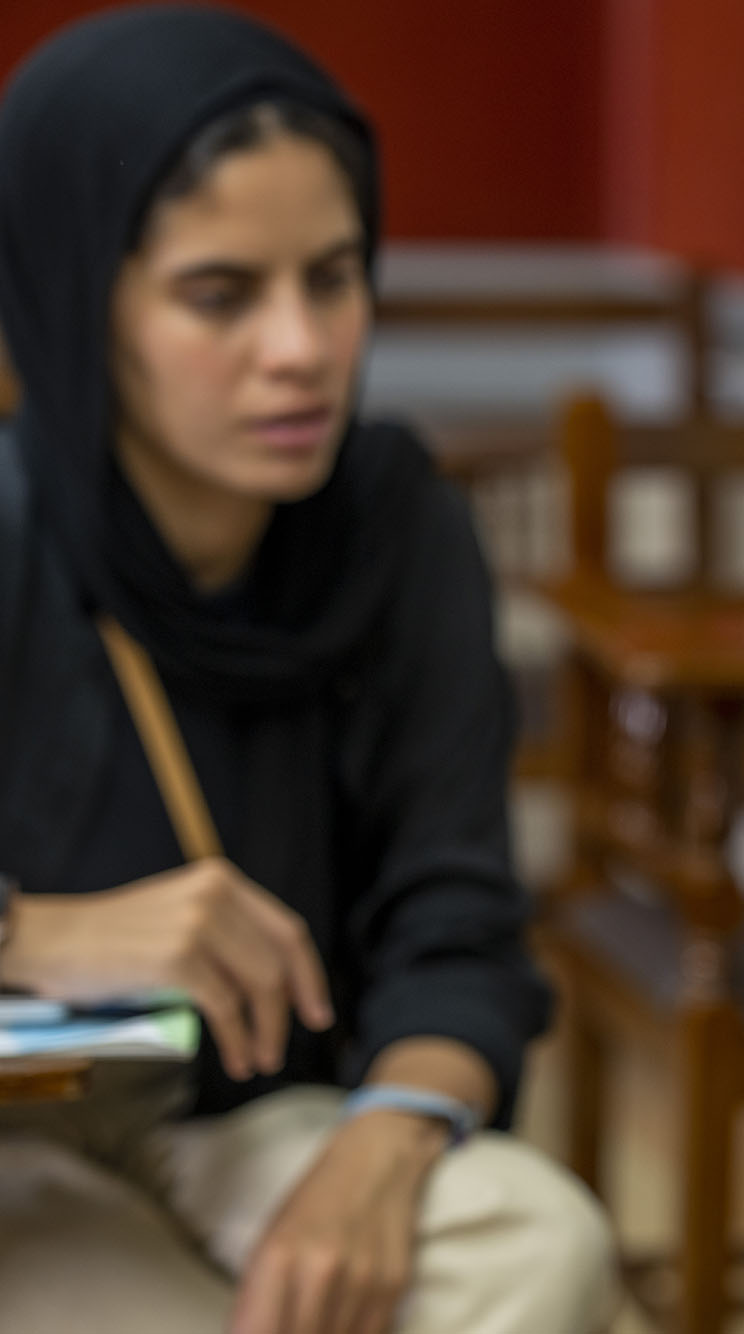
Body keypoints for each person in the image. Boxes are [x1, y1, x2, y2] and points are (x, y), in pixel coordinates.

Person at [0, 9, 616, 1332]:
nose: (301, 348)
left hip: (273, 1121)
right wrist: (38, 934)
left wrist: (382, 1147)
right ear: (73, 293)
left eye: (333, 279)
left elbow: (457, 928)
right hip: (23, 1141)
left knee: (545, 1241)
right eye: (220, 295)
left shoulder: (389, 518)